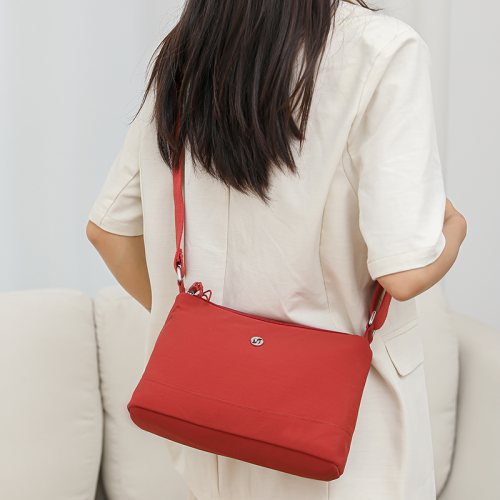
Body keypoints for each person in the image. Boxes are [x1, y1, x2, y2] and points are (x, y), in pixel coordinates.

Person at [87, 1, 467, 499]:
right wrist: (455, 229)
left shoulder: (192, 48)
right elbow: (405, 272)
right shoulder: (380, 49)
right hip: (346, 438)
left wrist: (209, 336)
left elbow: (109, 231)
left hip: (213, 429)